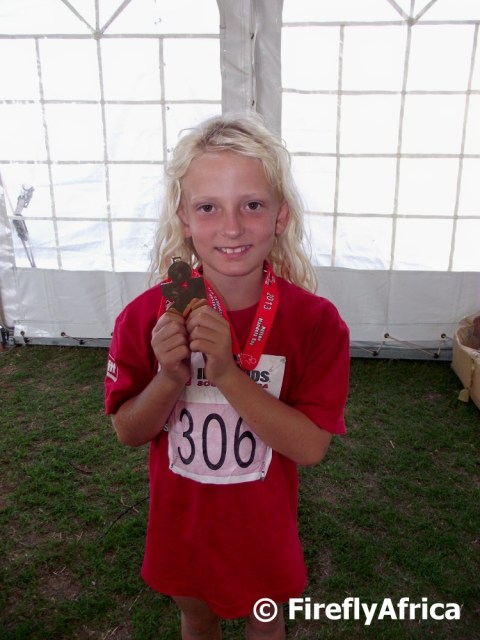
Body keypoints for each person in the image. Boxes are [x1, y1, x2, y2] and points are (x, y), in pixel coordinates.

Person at [104, 113, 350, 639]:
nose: (232, 227)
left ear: (280, 216)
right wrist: (169, 378)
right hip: (183, 531)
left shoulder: (316, 323)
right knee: (197, 619)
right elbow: (128, 430)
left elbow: (310, 448)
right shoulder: (146, 317)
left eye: (252, 205)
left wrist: (227, 374)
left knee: (266, 624)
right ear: (184, 218)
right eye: (208, 207)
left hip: (264, 531)